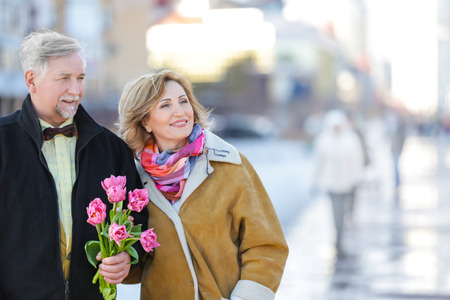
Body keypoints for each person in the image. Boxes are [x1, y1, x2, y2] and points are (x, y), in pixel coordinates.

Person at [0, 29, 148, 299]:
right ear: (32, 81)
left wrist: (128, 255)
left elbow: (138, 217)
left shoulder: (113, 149)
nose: (75, 89)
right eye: (64, 78)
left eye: (80, 77)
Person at [117, 69, 289, 300]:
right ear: (145, 121)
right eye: (165, 105)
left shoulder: (229, 164)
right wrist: (120, 258)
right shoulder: (134, 183)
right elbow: (138, 267)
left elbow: (266, 246)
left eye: (183, 101)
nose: (180, 112)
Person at [312, 109, 365, 255]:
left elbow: (357, 160)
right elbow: (319, 163)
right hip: (332, 184)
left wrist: (357, 178)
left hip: (348, 182)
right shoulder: (323, 140)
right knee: (336, 211)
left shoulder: (352, 139)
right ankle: (338, 235)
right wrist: (316, 181)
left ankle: (342, 229)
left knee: (346, 210)